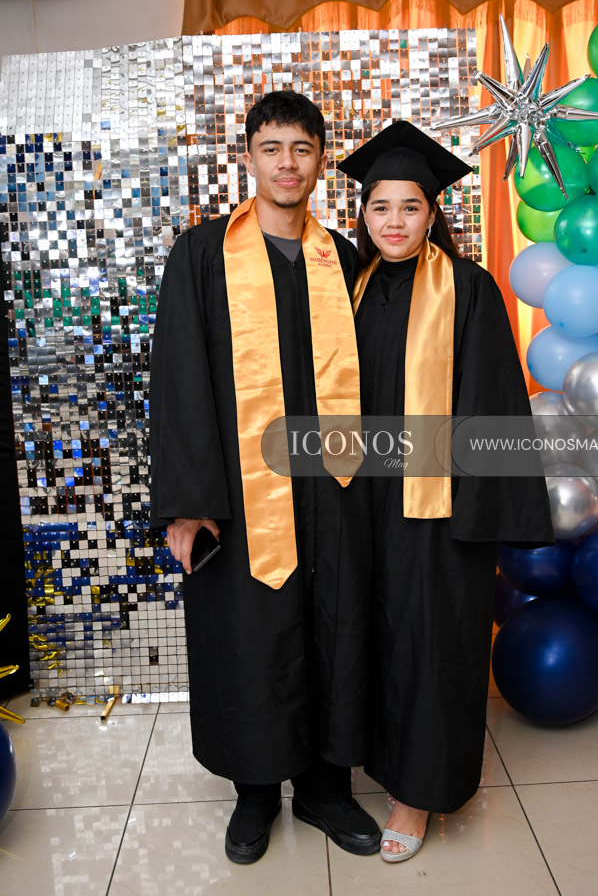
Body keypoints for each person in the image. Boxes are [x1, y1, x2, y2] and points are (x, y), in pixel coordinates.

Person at [149, 89, 380, 864]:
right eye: (272, 148)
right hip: (241, 494)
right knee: (251, 636)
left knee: (333, 628)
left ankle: (324, 789)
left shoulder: (343, 258)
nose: (287, 164)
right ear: (248, 157)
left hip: (336, 491)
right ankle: (254, 792)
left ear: (320, 160)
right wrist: (189, 504)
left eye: (302, 149)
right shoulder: (202, 254)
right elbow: (179, 378)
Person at [338, 121, 554, 862]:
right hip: (359, 504)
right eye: (380, 207)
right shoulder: (349, 290)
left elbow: (493, 402)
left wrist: (477, 512)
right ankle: (376, 762)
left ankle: (416, 793)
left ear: (433, 213)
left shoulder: (467, 288)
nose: (394, 221)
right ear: (362, 214)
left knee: (429, 644)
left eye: (410, 207)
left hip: (437, 507)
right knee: (369, 634)